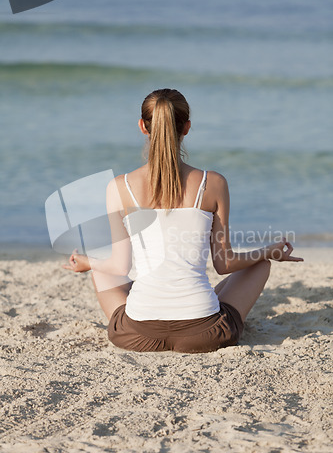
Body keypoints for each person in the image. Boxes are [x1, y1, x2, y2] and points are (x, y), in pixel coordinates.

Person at [63, 88, 303, 353]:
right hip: (206, 334)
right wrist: (270, 251)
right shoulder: (213, 183)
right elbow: (224, 264)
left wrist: (87, 263)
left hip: (137, 335)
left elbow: (120, 266)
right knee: (260, 265)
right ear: (186, 127)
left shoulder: (119, 186)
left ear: (143, 127)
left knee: (101, 269)